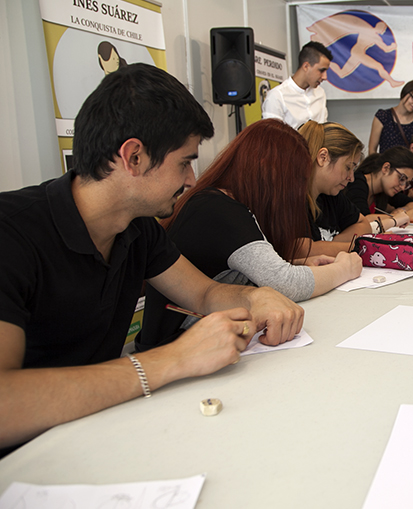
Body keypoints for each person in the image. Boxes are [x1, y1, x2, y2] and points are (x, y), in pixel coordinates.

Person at [0, 64, 303, 455]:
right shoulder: (12, 234)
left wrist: (255, 298)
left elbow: (205, 293)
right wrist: (173, 359)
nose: (192, 179)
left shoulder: (137, 228)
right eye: (184, 162)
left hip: (98, 432)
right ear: (134, 157)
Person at [138, 119, 362, 350]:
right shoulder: (219, 210)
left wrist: (293, 263)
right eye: (295, 180)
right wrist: (343, 269)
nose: (295, 193)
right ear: (272, 173)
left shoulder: (225, 203)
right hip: (178, 345)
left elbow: (238, 273)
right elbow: (285, 282)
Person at [298, 121, 384, 257]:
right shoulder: (293, 198)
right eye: (348, 167)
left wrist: (328, 244)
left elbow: (364, 225)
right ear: (323, 158)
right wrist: (356, 246)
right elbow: (303, 251)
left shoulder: (331, 195)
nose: (351, 178)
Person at [344, 146, 413, 224]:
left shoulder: (384, 189)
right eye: (402, 178)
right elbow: (362, 220)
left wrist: (401, 211)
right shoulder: (356, 183)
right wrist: (403, 216)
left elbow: (412, 204)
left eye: (407, 183)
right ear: (386, 168)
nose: (403, 187)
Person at [262, 42, 331, 129]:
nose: (325, 77)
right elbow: (272, 137)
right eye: (321, 70)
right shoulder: (277, 96)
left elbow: (324, 130)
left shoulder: (320, 93)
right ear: (306, 66)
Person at [368, 80, 413, 154]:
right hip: (386, 164)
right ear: (405, 93)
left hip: (411, 165)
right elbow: (372, 150)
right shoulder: (383, 117)